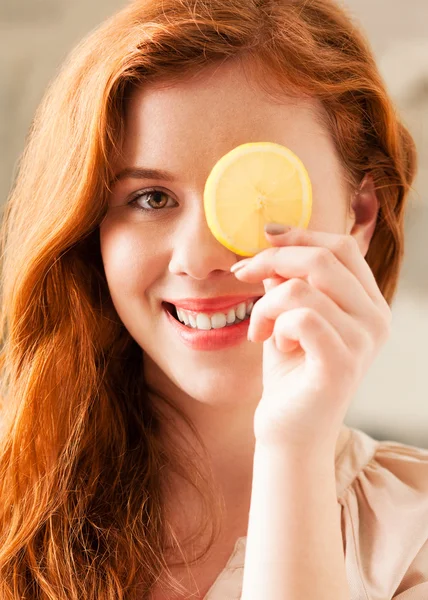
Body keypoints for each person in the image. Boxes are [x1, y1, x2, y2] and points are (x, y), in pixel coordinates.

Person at [0, 0, 427, 598]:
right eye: (151, 198)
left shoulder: (413, 531)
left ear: (359, 212)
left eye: (259, 198)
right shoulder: (12, 509)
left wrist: (292, 449)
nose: (200, 257)